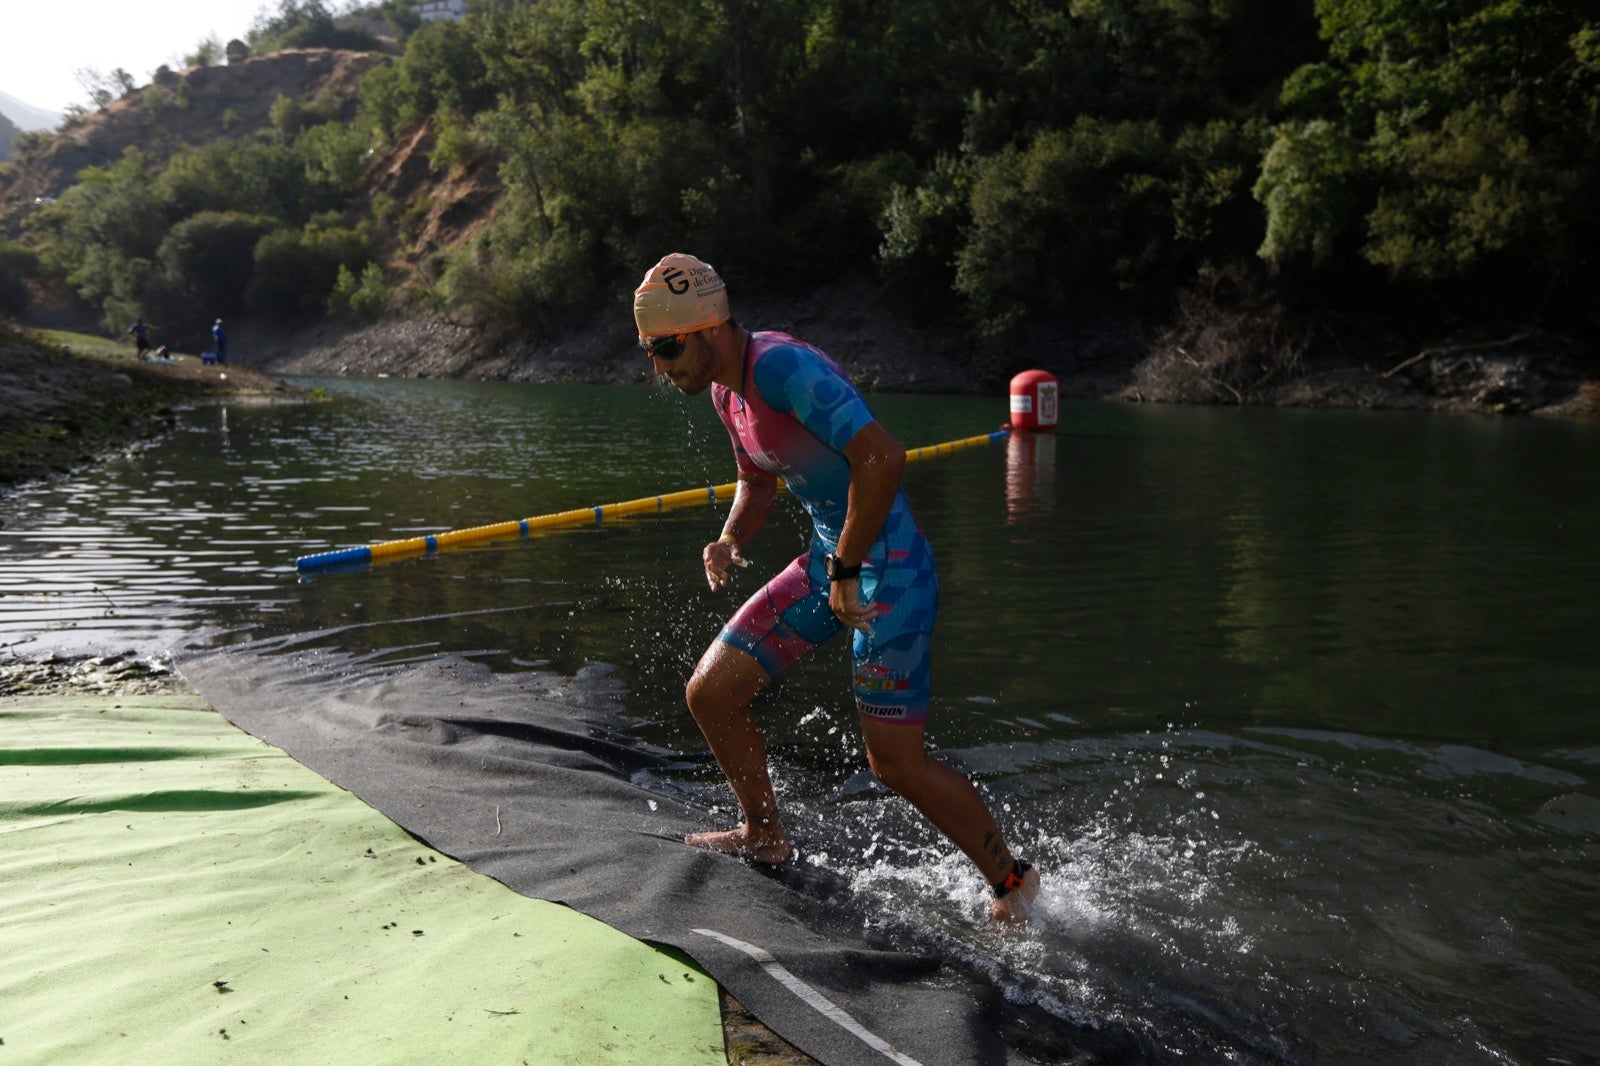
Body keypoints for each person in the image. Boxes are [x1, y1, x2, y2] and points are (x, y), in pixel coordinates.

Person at [633, 253, 1041, 922]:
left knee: (896, 765)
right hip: (832, 563)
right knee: (712, 693)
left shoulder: (784, 369)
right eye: (649, 351)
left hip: (890, 573)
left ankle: (1012, 883)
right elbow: (757, 482)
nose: (659, 365)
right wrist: (732, 538)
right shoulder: (725, 394)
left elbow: (882, 456)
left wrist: (848, 569)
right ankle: (764, 834)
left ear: (707, 330)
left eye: (667, 347)